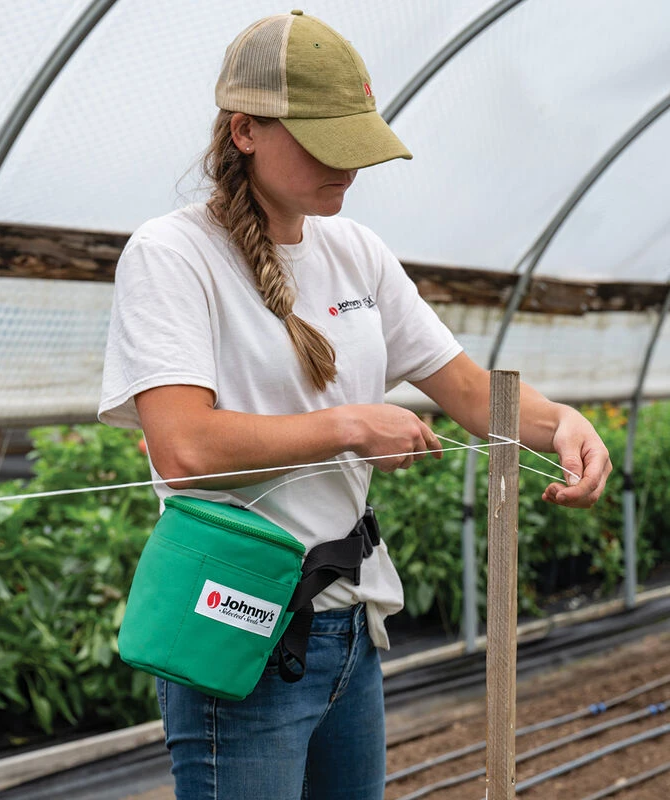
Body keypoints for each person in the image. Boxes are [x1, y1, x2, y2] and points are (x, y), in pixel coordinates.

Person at [98, 10, 611, 799]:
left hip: (348, 632)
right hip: (240, 628)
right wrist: (347, 425)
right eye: (324, 144)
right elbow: (183, 444)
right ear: (244, 131)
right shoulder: (173, 255)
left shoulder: (357, 253)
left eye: (356, 143)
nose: (349, 168)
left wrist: (563, 426)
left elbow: (473, 395)